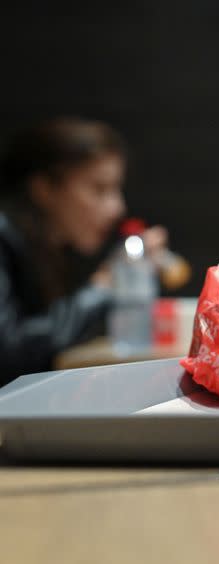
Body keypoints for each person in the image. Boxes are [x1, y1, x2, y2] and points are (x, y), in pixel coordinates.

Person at [0, 118, 166, 386]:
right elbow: (8, 354)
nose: (117, 207)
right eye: (99, 190)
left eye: (116, 189)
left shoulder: (50, 252)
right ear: (44, 188)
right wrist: (104, 287)